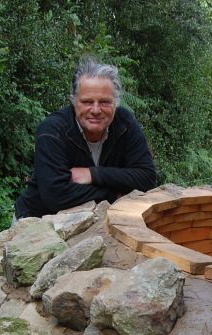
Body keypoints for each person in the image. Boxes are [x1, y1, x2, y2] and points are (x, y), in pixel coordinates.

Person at [14, 57, 158, 218]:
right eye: (87, 102)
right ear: (74, 101)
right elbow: (56, 196)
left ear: (116, 102)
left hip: (96, 223)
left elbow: (147, 179)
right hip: (37, 224)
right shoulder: (52, 130)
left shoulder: (125, 124)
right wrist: (114, 195)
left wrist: (93, 174)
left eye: (104, 102)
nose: (95, 110)